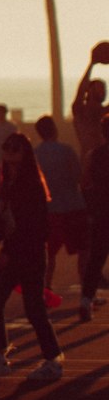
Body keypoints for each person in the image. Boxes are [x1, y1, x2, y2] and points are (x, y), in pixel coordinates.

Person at [0, 133, 64, 381]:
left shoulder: (32, 186)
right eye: (7, 149)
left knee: (34, 309)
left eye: (16, 150)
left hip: (29, 255)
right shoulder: (7, 184)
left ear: (25, 154)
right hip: (13, 254)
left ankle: (53, 360)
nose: (10, 155)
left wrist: (9, 252)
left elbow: (34, 228)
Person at [33, 115, 88, 293]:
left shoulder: (35, 153)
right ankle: (87, 293)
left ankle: (45, 288)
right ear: (55, 130)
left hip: (48, 209)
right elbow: (79, 177)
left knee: (48, 254)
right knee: (83, 251)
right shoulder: (66, 150)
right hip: (72, 206)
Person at [79, 112, 109, 323]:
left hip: (101, 212)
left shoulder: (95, 154)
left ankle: (86, 299)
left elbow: (85, 183)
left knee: (96, 259)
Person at [72, 51, 109, 165]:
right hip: (88, 161)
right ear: (90, 90)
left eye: (105, 88)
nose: (104, 91)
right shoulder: (81, 110)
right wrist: (91, 64)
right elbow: (80, 90)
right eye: (100, 87)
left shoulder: (104, 112)